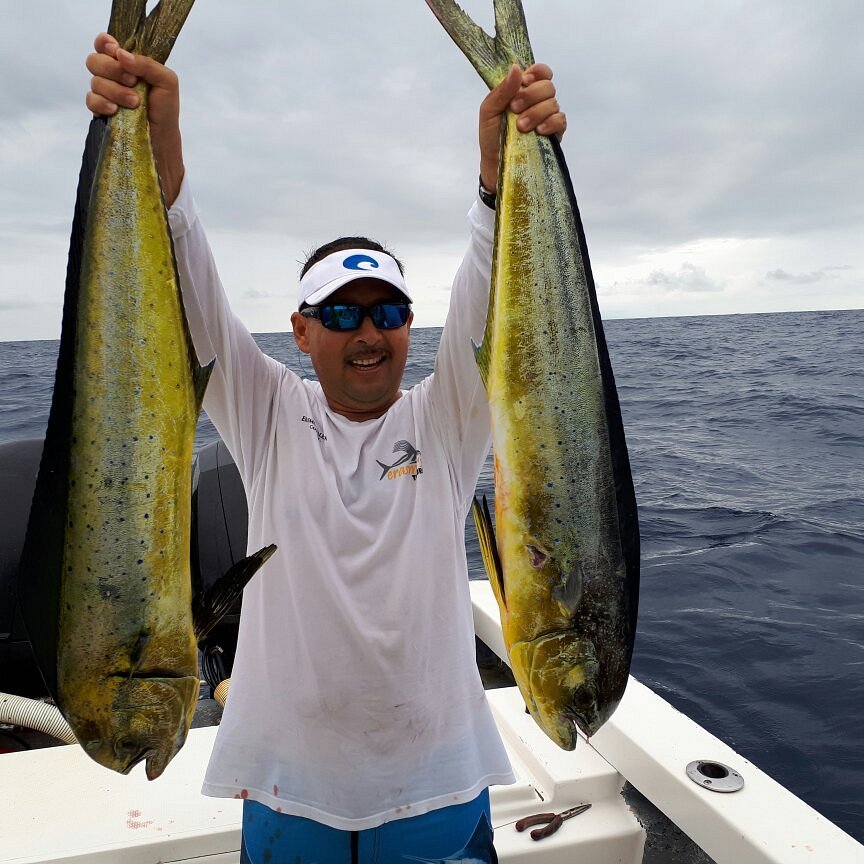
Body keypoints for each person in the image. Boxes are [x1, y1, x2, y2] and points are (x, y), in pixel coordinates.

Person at [86, 32, 566, 864]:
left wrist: (499, 181)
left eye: (388, 312)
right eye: (341, 314)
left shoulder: (448, 419)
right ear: (301, 332)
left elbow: (490, 287)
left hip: (438, 780)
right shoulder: (267, 410)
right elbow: (189, 288)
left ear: (412, 326)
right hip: (288, 789)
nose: (368, 332)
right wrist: (157, 140)